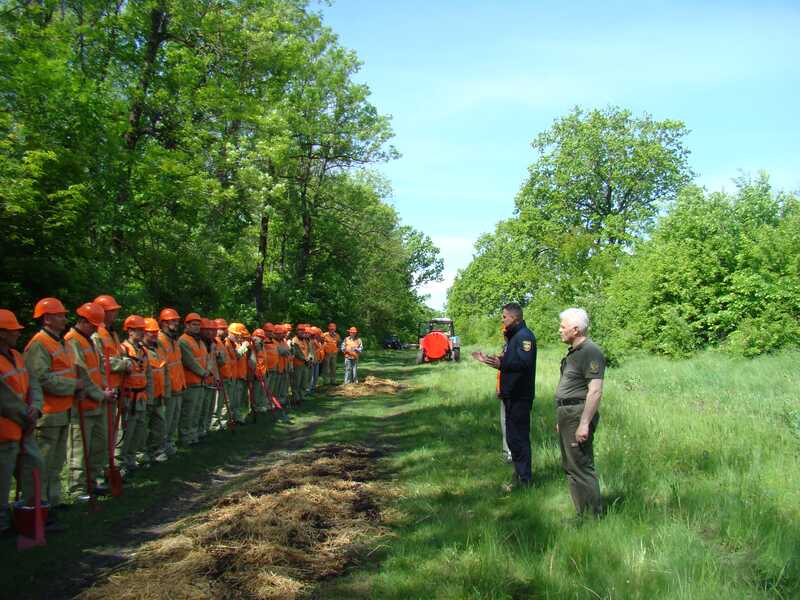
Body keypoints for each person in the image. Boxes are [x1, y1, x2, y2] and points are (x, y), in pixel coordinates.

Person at [24, 297, 82, 510]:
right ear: (47, 318)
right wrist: (73, 385)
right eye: (60, 315)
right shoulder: (39, 344)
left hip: (62, 410)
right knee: (43, 462)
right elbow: (42, 378)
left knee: (57, 462)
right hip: (47, 413)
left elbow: (66, 370)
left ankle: (54, 501)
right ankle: (39, 505)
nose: (65, 319)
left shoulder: (61, 342)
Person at [473, 302, 536, 489]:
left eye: (504, 317)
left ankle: (525, 480)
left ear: (514, 318)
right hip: (510, 394)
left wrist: (501, 364)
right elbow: (509, 362)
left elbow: (524, 364)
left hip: (520, 395)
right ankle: (519, 476)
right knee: (512, 439)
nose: (502, 320)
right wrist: (489, 360)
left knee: (519, 438)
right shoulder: (513, 336)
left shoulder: (525, 337)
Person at [555, 307, 606, 517]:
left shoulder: (590, 352)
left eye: (563, 326)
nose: (559, 330)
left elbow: (595, 391)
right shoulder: (574, 353)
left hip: (578, 414)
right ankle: (581, 514)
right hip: (568, 415)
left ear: (575, 329)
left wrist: (584, 423)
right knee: (570, 466)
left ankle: (594, 516)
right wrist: (561, 419)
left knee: (582, 467)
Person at [0, 309, 47, 534]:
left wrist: (36, 407)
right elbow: (5, 399)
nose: (18, 333)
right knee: (2, 479)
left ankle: (31, 513)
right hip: (6, 429)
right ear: (1, 333)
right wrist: (25, 415)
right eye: (14, 330)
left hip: (24, 426)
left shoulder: (17, 356)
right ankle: (3, 522)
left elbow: (33, 383)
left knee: (35, 466)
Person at [64, 302, 115, 500]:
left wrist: (106, 388)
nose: (95, 329)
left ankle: (92, 482)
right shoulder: (72, 340)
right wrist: (101, 394)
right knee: (79, 448)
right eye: (93, 325)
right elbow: (81, 373)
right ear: (83, 321)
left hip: (97, 402)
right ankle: (78, 488)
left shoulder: (88, 340)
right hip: (83, 403)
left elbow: (98, 368)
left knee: (98, 446)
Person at [119, 315, 152, 473]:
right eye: (139, 330)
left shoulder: (143, 351)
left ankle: (131, 461)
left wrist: (149, 397)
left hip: (141, 397)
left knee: (138, 431)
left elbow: (148, 375)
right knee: (126, 433)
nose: (142, 332)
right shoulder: (123, 349)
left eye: (143, 330)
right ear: (130, 331)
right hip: (128, 398)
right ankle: (120, 463)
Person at [158, 308, 185, 456]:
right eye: (172, 321)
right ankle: (161, 448)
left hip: (178, 386)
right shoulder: (159, 340)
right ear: (163, 323)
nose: (176, 323)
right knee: (165, 421)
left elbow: (177, 363)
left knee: (173, 420)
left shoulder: (174, 340)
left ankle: (169, 444)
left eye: (176, 321)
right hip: (168, 388)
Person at [142, 318, 169, 462]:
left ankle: (155, 452)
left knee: (159, 426)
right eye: (150, 332)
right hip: (145, 396)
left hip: (159, 394)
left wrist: (166, 392)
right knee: (143, 427)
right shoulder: (139, 350)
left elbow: (164, 371)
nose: (154, 335)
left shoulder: (158, 349)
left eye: (155, 332)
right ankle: (142, 455)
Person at [179, 313, 208, 445]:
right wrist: (204, 373)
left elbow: (205, 358)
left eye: (198, 325)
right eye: (194, 324)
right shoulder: (183, 341)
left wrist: (207, 371)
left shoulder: (200, 341)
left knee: (197, 411)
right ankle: (185, 437)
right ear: (187, 325)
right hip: (191, 382)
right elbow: (189, 361)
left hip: (201, 382)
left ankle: (194, 435)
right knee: (188, 412)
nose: (197, 327)